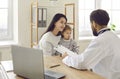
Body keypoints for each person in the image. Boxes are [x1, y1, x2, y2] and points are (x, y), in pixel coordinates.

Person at [62, 9, 120, 79]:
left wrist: (66, 59)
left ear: (94, 24)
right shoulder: (115, 37)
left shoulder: (100, 40)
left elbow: (82, 63)